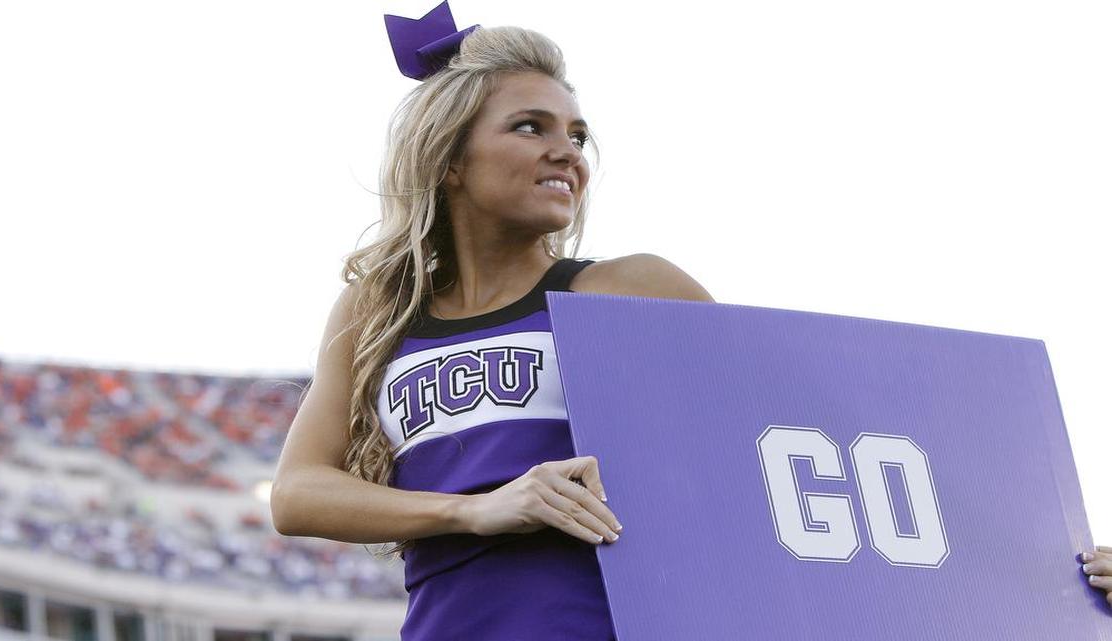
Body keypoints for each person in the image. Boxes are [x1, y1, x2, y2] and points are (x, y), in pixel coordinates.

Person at [268, 16, 1112, 641]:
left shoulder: (627, 289)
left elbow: (827, 444)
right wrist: (475, 510)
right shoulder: (377, 310)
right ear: (449, 159)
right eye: (530, 127)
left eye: (578, 135)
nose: (569, 153)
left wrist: (1047, 564)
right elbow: (299, 493)